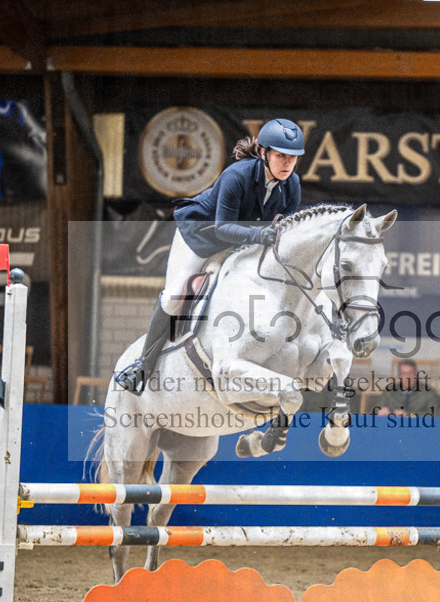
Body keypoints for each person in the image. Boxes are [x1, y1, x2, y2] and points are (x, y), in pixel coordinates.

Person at [116, 118, 305, 395]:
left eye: (292, 157)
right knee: (175, 295)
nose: (287, 163)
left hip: (241, 245)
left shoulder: (292, 185)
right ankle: (142, 366)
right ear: (264, 154)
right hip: (200, 237)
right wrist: (259, 235)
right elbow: (223, 227)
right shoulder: (237, 176)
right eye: (280, 156)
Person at [375, 359, 440, 417]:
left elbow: (434, 414)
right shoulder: (389, 391)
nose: (407, 377)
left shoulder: (429, 392)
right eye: (404, 374)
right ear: (399, 375)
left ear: (416, 375)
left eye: (410, 373)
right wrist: (380, 411)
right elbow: (374, 410)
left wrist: (409, 415)